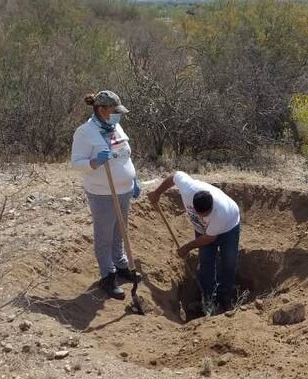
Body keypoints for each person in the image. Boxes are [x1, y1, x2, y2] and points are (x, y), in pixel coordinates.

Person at [71, 90, 141, 300]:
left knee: (120, 230)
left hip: (124, 190)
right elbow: (76, 164)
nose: (118, 114)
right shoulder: (85, 132)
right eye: (114, 110)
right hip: (102, 191)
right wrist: (94, 162)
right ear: (101, 110)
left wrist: (133, 179)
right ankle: (107, 275)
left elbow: (125, 155)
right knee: (105, 234)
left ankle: (121, 265)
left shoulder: (115, 126)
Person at [147, 172, 240, 315]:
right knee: (206, 262)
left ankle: (225, 299)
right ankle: (208, 299)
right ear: (194, 206)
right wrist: (157, 193)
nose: (203, 217)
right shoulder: (188, 189)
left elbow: (209, 238)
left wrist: (187, 247)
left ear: (212, 207)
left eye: (206, 214)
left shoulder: (220, 213)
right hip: (203, 231)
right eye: (201, 214)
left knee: (229, 262)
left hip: (229, 227)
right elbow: (174, 176)